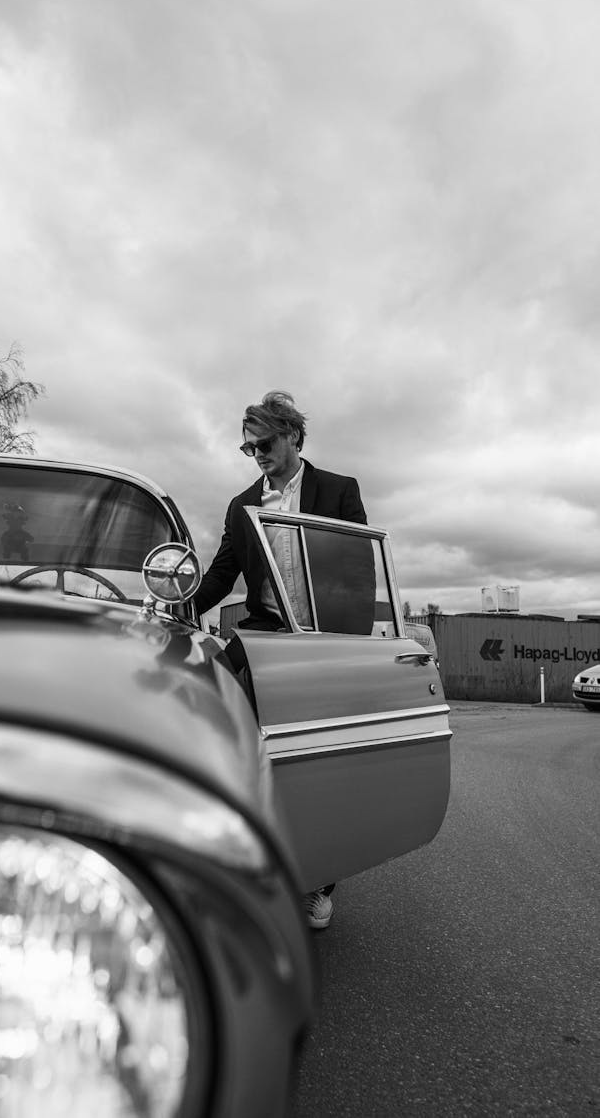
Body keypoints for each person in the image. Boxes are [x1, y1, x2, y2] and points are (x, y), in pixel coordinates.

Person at [194, 390, 368, 929]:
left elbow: (358, 571)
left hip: (323, 638)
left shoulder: (339, 491)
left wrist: (342, 642)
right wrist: (178, 602)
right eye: (248, 449)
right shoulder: (240, 504)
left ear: (293, 435)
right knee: (227, 730)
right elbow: (224, 573)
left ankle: (317, 879)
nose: (257, 455)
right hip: (265, 634)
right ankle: (238, 857)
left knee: (320, 760)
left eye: (264, 443)